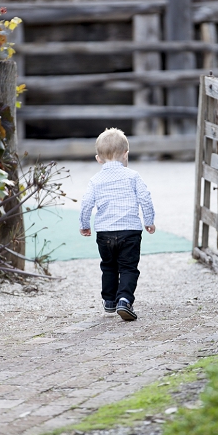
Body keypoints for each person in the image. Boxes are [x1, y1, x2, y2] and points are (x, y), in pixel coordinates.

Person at [79, 128, 155, 321]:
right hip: (130, 231)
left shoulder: (95, 180)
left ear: (98, 159)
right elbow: (145, 198)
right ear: (125, 154)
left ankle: (109, 300)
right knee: (128, 267)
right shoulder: (133, 176)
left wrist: (85, 224)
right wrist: (149, 220)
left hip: (104, 232)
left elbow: (86, 203)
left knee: (108, 266)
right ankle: (124, 299)